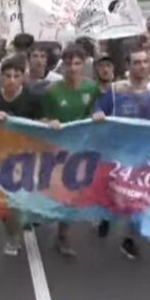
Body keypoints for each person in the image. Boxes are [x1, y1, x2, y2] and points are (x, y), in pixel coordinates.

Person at [93, 47, 150, 260]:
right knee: (114, 192)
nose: (141, 66)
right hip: (118, 151)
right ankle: (106, 216)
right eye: (136, 62)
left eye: (145, 62)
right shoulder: (115, 89)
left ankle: (129, 238)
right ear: (128, 66)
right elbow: (99, 108)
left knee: (138, 195)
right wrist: (98, 113)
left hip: (145, 152)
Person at [42, 45, 102, 257]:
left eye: (77, 63)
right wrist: (49, 121)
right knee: (54, 191)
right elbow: (42, 117)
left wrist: (98, 115)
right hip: (56, 149)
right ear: (63, 65)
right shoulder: (52, 91)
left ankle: (63, 234)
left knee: (72, 191)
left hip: (81, 149)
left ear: (84, 64)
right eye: (69, 64)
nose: (73, 68)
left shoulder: (92, 88)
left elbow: (97, 111)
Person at [0, 59, 43, 257]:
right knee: (6, 202)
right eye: (8, 76)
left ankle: (23, 220)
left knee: (22, 200)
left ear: (23, 77)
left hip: (27, 156)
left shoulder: (32, 99)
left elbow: (42, 124)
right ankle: (12, 235)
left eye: (17, 76)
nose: (12, 80)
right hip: (0, 157)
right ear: (1, 78)